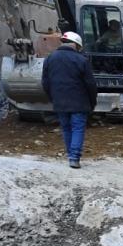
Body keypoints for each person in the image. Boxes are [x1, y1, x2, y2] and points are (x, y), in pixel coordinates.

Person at [41, 31, 97, 169]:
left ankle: (70, 156)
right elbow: (90, 84)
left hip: (59, 101)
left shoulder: (50, 58)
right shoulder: (82, 60)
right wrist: (92, 101)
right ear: (77, 45)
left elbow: (45, 82)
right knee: (78, 128)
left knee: (66, 128)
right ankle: (74, 158)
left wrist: (53, 97)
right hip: (79, 102)